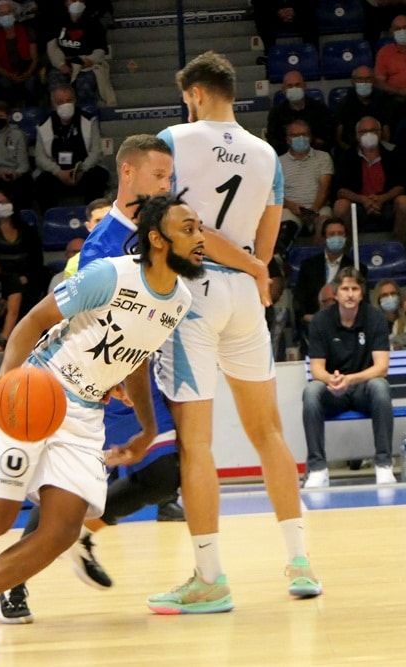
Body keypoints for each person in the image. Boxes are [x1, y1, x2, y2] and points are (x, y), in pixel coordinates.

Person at [0, 191, 199, 656]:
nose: (201, 238)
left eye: (199, 229)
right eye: (189, 229)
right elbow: (32, 321)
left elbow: (135, 359)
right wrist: (4, 382)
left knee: (60, 531)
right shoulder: (109, 275)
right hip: (38, 393)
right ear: (158, 239)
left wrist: (148, 428)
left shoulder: (179, 299)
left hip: (85, 416)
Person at [151, 51, 322, 613]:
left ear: (196, 93)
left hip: (193, 292)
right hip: (246, 296)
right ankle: (300, 562)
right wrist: (253, 268)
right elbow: (266, 240)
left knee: (196, 444)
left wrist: (244, 264)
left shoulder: (174, 141)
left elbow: (181, 225)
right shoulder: (267, 153)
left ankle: (209, 578)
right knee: (269, 432)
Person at [0, 136, 187, 621]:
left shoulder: (159, 226)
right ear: (128, 173)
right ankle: (11, 578)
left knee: (166, 473)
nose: (166, 185)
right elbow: (61, 318)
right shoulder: (101, 248)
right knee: (62, 495)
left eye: (169, 177)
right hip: (90, 376)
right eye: (159, 176)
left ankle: (83, 534)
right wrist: (9, 379)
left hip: (134, 361)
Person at [302, 267, 393, 487]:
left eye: (355, 289)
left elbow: (381, 368)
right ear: (335, 293)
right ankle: (317, 468)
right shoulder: (320, 321)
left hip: (363, 389)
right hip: (334, 390)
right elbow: (317, 369)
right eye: (345, 289)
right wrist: (331, 380)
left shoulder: (376, 318)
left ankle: (383, 465)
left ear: (362, 293)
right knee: (311, 391)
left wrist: (350, 379)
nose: (350, 294)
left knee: (380, 386)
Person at [332, 115, 406, 245]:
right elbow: (340, 190)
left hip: (387, 203)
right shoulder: (347, 156)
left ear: (380, 133)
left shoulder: (394, 152)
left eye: (373, 130)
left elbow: (402, 186)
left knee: (404, 202)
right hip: (358, 204)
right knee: (340, 206)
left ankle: (398, 247)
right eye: (363, 131)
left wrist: (382, 199)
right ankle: (349, 249)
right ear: (357, 135)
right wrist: (363, 200)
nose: (368, 134)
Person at [31, 84, 109, 212]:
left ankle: (94, 217)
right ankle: (51, 218)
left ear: (75, 100)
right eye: (60, 102)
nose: (65, 105)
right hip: (57, 174)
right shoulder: (43, 125)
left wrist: (82, 169)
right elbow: (40, 157)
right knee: (42, 183)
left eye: (68, 100)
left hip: (83, 170)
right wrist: (58, 172)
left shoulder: (89, 121)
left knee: (98, 177)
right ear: (53, 104)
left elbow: (96, 152)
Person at [293, 218, 367, 351]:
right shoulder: (308, 266)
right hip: (315, 322)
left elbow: (363, 301)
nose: (336, 237)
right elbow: (299, 298)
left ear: (346, 237)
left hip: (347, 322)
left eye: (340, 233)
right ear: (324, 238)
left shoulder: (357, 268)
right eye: (332, 234)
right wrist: (306, 316)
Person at [0, 189, 46, 310]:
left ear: (12, 203)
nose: (0, 206)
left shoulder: (28, 230)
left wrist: (27, 277)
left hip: (26, 279)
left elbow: (37, 260)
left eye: (4, 202)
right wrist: (7, 280)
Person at [278, 119, 333, 247]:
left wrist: (313, 211)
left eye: (304, 134)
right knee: (285, 227)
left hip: (319, 207)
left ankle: (317, 255)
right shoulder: (278, 162)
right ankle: (282, 257)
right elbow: (274, 192)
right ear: (287, 139)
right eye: (295, 135)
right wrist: (290, 205)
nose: (300, 138)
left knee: (325, 224)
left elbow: (324, 187)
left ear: (310, 137)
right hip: (290, 208)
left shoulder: (323, 157)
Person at [47, 0, 110, 112]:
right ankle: (58, 112)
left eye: (79, 0)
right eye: (72, 0)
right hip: (64, 63)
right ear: (66, 3)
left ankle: (87, 113)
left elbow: (101, 49)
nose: (75, 3)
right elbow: (52, 46)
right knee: (56, 83)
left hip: (86, 65)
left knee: (85, 84)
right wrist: (60, 64)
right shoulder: (57, 22)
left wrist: (90, 60)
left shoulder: (94, 23)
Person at [265, 70, 335, 156]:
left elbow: (328, 137)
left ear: (304, 87)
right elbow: (272, 140)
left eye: (297, 85)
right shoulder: (276, 113)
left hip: (316, 156)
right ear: (283, 90)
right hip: (287, 157)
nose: (294, 88)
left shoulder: (320, 109)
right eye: (290, 86)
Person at [0, 100, 32, 210]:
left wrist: (15, 173)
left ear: (8, 118)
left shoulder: (18, 135)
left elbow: (23, 164)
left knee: (25, 182)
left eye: (1, 116)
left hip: (17, 174)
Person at [0, 0, 41, 106]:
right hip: (6, 73)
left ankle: (31, 110)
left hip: (27, 70)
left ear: (14, 14)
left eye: (8, 12)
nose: (5, 16)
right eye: (2, 14)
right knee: (3, 85)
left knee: (32, 83)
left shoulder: (27, 31)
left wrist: (28, 72)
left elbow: (34, 58)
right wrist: (10, 76)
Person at [334, 65, 394, 151]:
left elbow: (386, 130)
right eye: (360, 79)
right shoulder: (344, 103)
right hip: (352, 148)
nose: (364, 82)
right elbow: (339, 137)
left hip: (379, 147)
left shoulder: (383, 100)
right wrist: (351, 153)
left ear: (373, 81)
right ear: (353, 81)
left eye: (368, 79)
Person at [251, 0, 318, 59]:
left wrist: (294, 10)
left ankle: (311, 52)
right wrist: (277, 11)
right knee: (261, 15)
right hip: (272, 14)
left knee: (309, 17)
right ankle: (270, 53)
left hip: (299, 12)